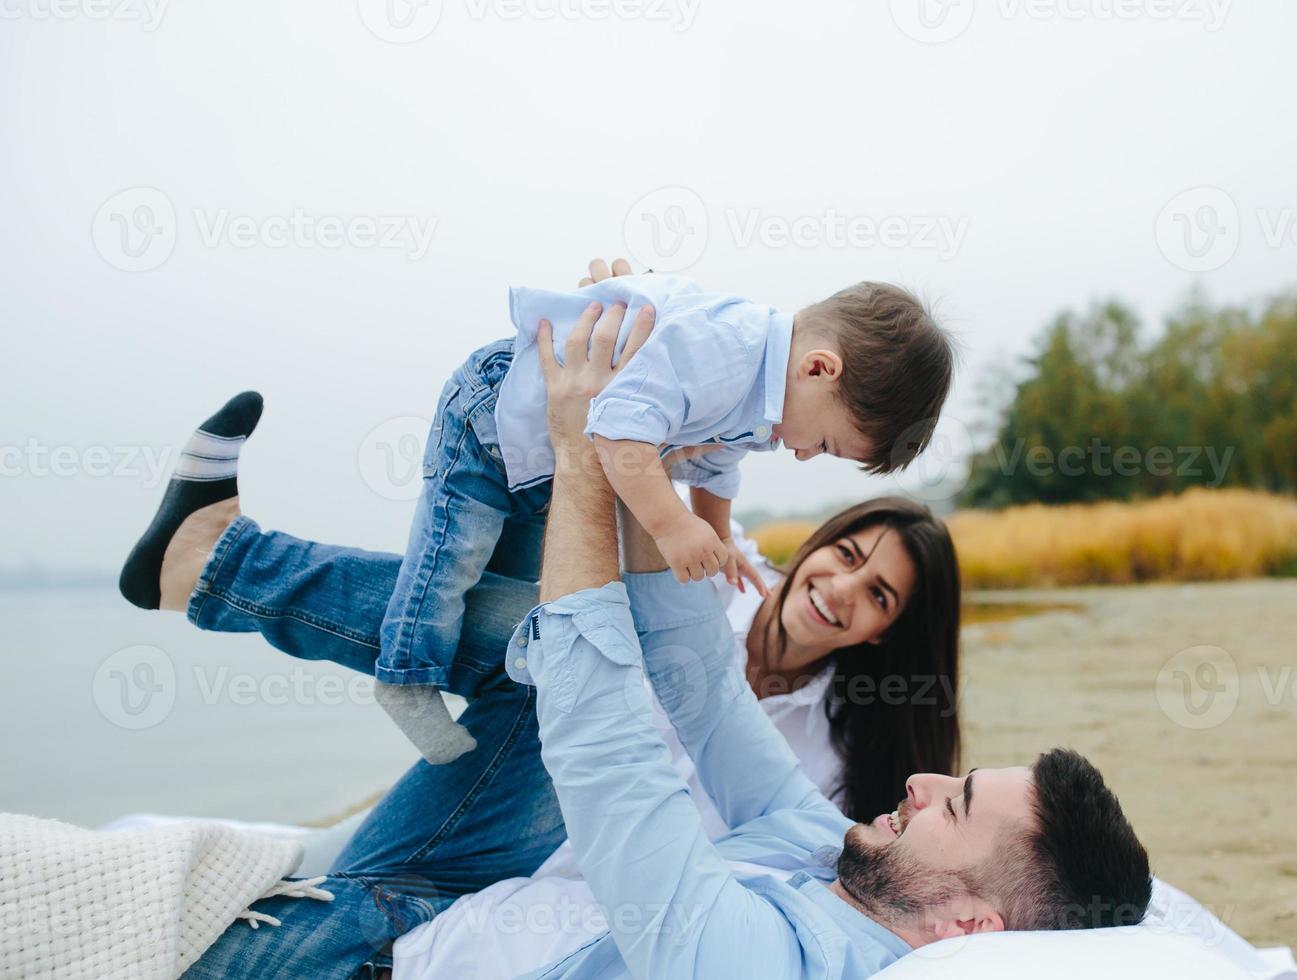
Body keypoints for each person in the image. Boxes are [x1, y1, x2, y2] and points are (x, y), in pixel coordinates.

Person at [171, 294, 1148, 978]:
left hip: (375, 951)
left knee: (547, 643)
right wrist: (647, 435)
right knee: (534, 632)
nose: (930, 780)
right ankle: (216, 566)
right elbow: (706, 696)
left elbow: (614, 758)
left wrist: (584, 452)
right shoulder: (842, 860)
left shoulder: (778, 956)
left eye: (957, 801)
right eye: (847, 552)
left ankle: (219, 566)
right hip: (466, 873)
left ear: (970, 922)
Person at [120, 263, 954, 765]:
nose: (806, 457)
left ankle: (215, 564)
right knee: (453, 576)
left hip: (550, 471)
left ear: (887, 633)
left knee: (526, 624)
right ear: (817, 367)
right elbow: (621, 431)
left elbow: (714, 463)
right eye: (827, 445)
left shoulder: (760, 404)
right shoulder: (725, 352)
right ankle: (378, 660)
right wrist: (677, 527)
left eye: (879, 595)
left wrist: (712, 525)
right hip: (496, 428)